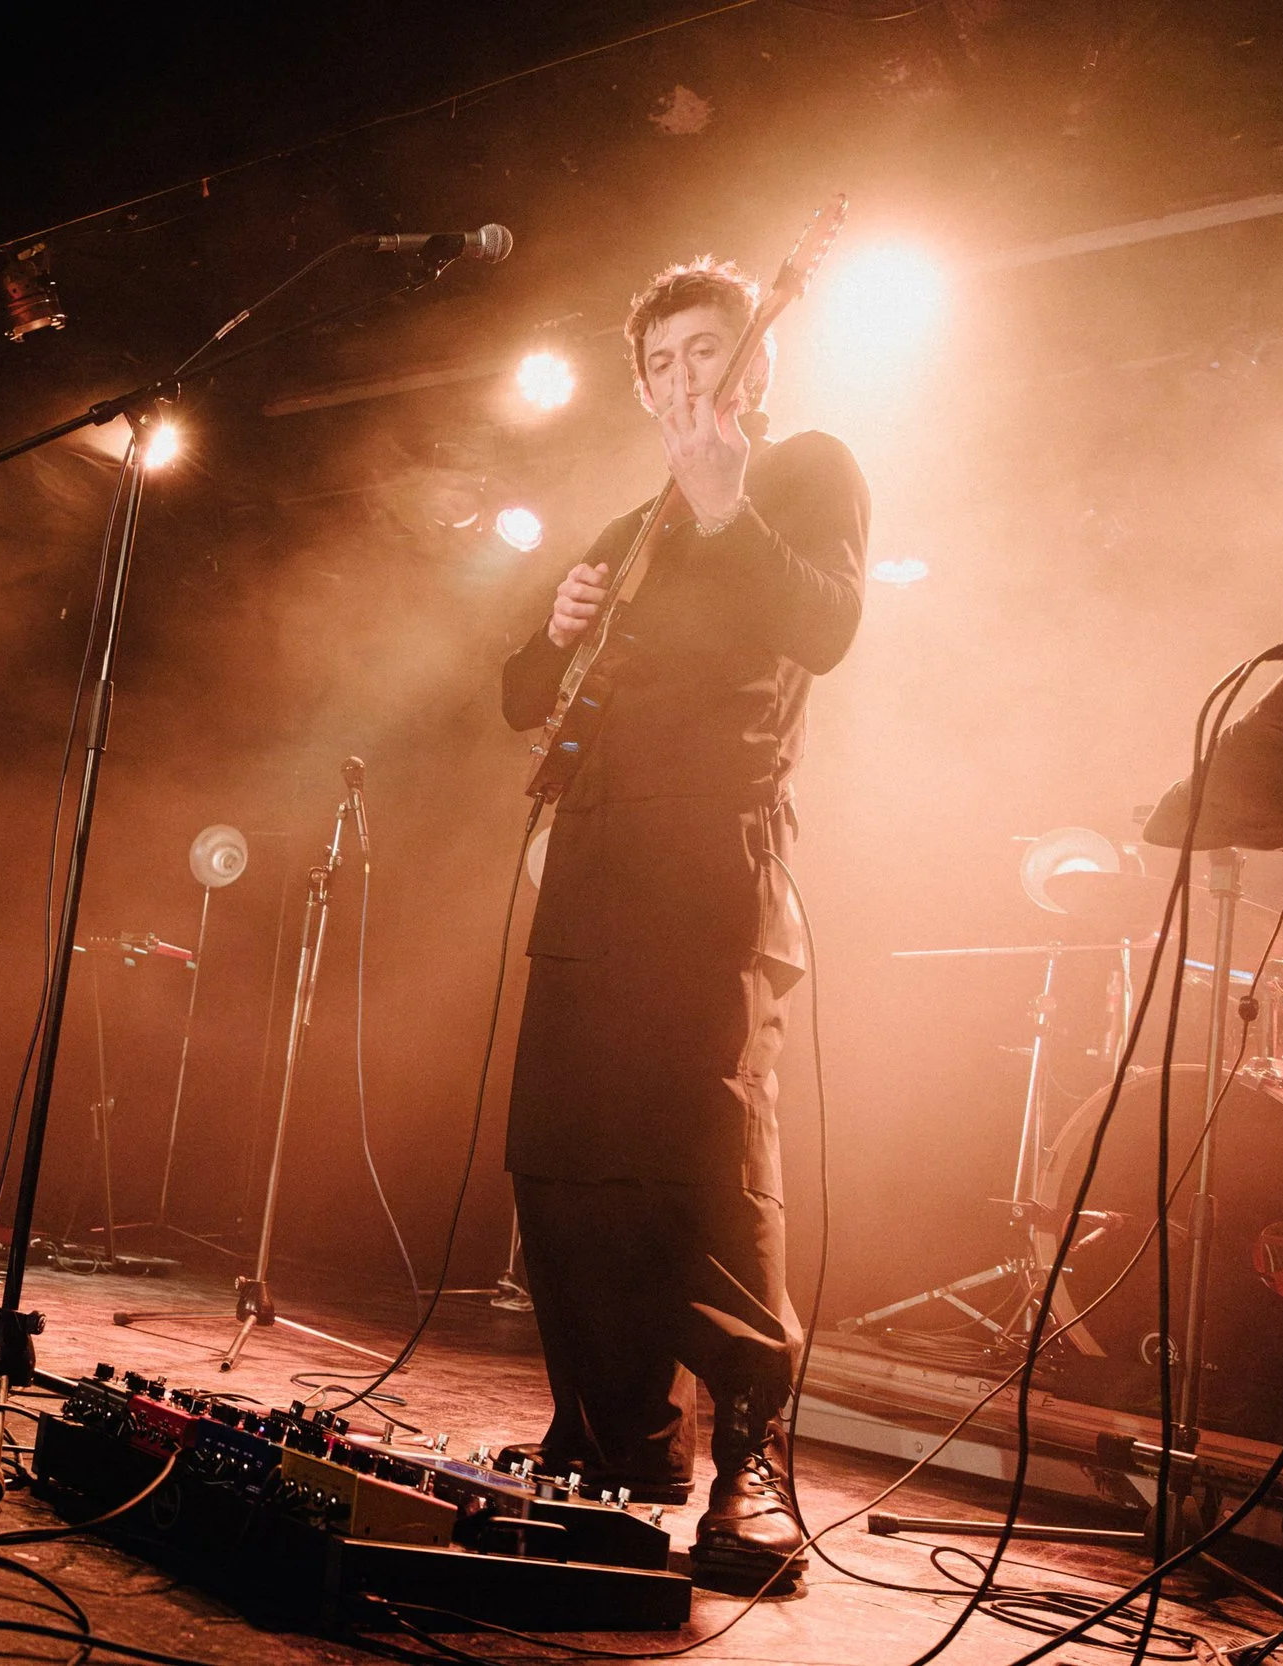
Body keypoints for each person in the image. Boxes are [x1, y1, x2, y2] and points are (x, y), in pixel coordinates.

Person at [497, 257, 868, 1590]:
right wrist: (552, 632)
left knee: (710, 1157)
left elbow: (824, 626)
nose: (681, 376)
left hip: (718, 858)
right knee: (561, 1151)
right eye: (659, 362)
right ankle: (615, 1443)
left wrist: (726, 501)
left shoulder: (810, 470)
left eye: (705, 348)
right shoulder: (627, 521)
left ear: (755, 361)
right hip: (594, 860)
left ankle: (751, 1466)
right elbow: (519, 695)